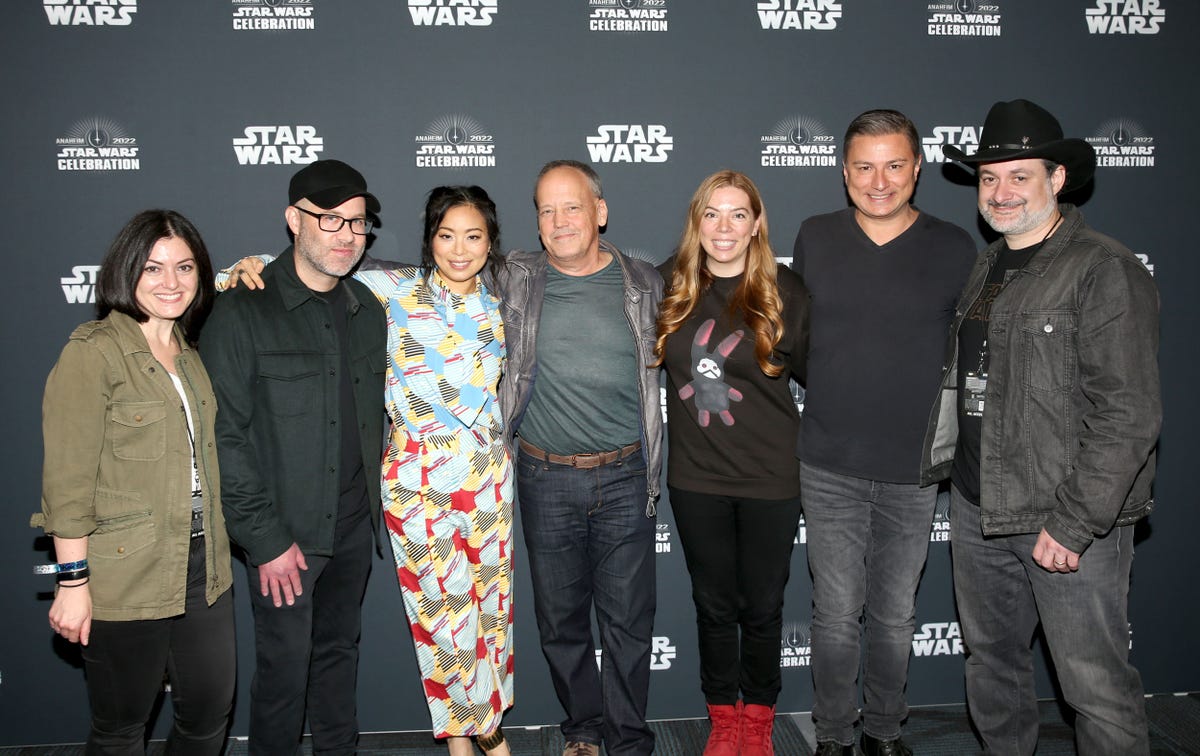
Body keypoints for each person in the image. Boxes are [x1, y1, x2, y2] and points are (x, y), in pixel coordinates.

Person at [223, 186, 514, 755]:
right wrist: (245, 267)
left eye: (474, 236)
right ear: (429, 240)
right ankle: (490, 737)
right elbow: (304, 268)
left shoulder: (506, 298)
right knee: (443, 620)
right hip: (417, 482)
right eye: (446, 235)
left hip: (488, 481)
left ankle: (461, 741)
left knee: (491, 617)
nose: (460, 249)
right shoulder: (389, 288)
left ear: (491, 242)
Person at [922, 99, 1161, 756]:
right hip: (978, 509)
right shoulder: (987, 264)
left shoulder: (1102, 269)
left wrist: (1075, 522)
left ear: (1057, 179)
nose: (1000, 193)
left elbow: (1129, 413)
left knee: (1094, 688)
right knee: (992, 670)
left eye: (1019, 176)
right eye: (989, 178)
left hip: (1061, 517)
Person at [791, 110, 976, 756]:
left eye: (894, 164)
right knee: (836, 615)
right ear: (844, 172)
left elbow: (971, 356)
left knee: (895, 617)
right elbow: (795, 343)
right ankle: (834, 737)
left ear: (917, 167)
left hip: (914, 467)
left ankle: (885, 733)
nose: (879, 180)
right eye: (864, 166)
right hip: (829, 463)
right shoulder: (814, 237)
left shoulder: (955, 247)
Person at [200, 159, 387, 755]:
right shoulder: (240, 309)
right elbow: (222, 436)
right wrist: (265, 540)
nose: (346, 236)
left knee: (338, 664)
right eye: (328, 220)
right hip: (285, 540)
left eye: (357, 224)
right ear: (292, 220)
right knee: (282, 680)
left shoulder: (368, 309)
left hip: (355, 528)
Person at [33, 209, 235, 753]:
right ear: (127, 272)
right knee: (122, 728)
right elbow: (67, 480)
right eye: (153, 268)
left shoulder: (192, 355)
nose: (172, 282)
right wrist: (73, 582)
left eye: (185, 267)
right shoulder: (93, 351)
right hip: (124, 571)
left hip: (205, 567)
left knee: (209, 714)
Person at [497, 160, 663, 756]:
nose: (559, 220)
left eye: (572, 206)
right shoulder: (514, 278)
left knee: (627, 625)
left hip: (626, 477)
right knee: (561, 623)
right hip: (544, 478)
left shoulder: (645, 282)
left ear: (600, 211)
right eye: (546, 209)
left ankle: (628, 740)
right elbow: (429, 273)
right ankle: (583, 731)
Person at [654, 170, 810, 756]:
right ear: (697, 222)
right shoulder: (670, 285)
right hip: (697, 479)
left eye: (738, 214)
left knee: (764, 606)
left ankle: (759, 720)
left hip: (772, 477)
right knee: (714, 605)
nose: (724, 227)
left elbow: (826, 381)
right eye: (712, 214)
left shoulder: (784, 291)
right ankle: (723, 718)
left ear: (756, 224)